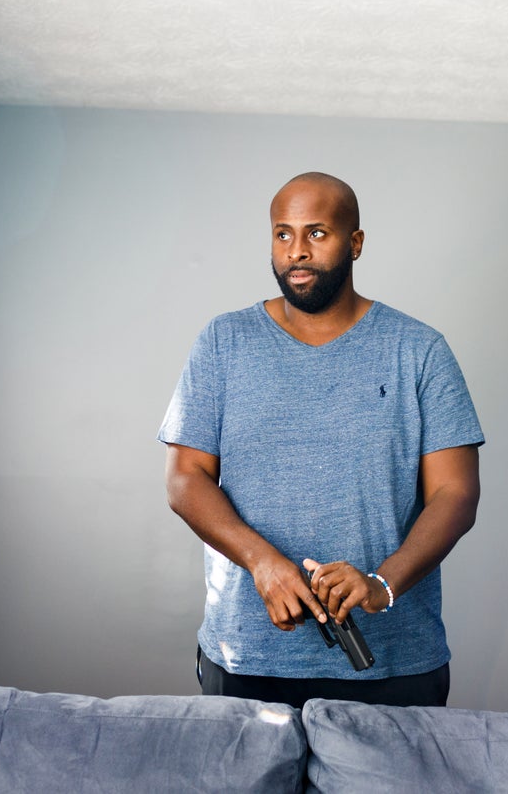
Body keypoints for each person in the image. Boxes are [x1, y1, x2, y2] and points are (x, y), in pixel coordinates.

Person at [158, 172, 483, 708]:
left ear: (355, 243)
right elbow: (183, 478)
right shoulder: (224, 342)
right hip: (248, 656)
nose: (297, 252)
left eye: (317, 233)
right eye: (283, 235)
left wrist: (383, 584)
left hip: (395, 663)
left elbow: (456, 494)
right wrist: (261, 561)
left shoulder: (419, 350)